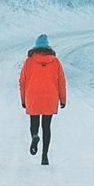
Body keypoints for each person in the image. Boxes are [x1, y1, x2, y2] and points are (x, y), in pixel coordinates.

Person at [19, 33, 66, 165]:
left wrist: (23, 99)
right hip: (50, 98)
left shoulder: (29, 62)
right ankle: (44, 156)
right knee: (46, 126)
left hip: (32, 97)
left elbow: (22, 81)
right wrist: (63, 99)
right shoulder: (55, 62)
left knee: (34, 123)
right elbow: (61, 82)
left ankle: (34, 136)